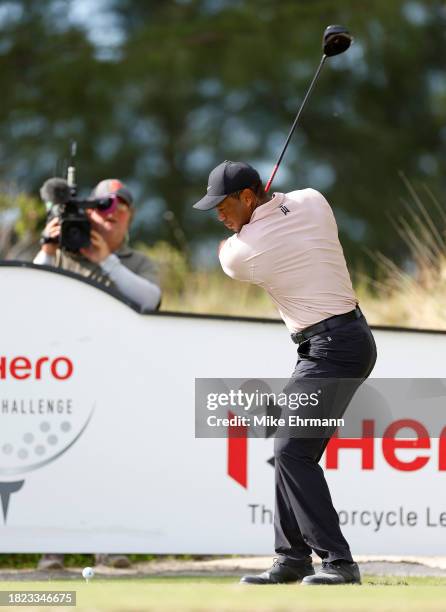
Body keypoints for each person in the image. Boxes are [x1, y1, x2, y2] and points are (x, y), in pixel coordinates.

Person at [193, 160, 377, 586]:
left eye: (223, 205)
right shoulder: (314, 200)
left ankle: (338, 562)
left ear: (247, 195)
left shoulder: (245, 253)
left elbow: (228, 255)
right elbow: (289, 208)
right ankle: (292, 558)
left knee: (292, 450)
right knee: (292, 450)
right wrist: (262, 213)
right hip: (341, 341)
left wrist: (249, 227)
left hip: (333, 348)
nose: (219, 216)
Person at [34, 179, 161, 571]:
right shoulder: (61, 255)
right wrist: (46, 250)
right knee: (57, 461)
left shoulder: (137, 261)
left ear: (130, 215)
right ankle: (51, 548)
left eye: (118, 207)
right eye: (101, 207)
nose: (109, 214)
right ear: (86, 211)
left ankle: (108, 544)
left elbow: (150, 300)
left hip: (115, 374)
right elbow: (27, 297)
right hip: (60, 372)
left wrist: (107, 260)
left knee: (110, 458)